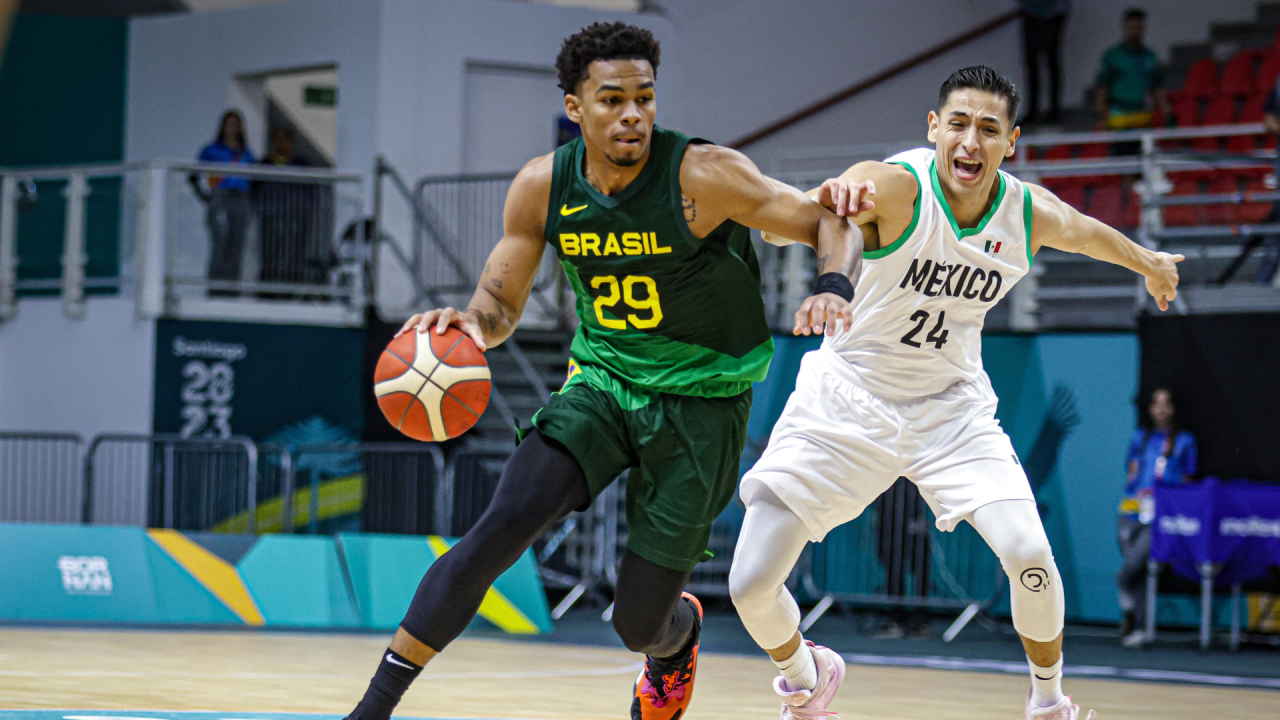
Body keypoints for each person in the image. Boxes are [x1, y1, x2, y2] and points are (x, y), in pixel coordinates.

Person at [343, 22, 862, 720]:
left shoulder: (703, 176)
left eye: (645, 98)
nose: (633, 115)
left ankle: (675, 642)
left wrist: (833, 283)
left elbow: (831, 221)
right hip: (603, 385)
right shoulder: (542, 187)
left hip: (701, 405)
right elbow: (498, 308)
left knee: (636, 624)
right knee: (499, 528)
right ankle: (370, 711)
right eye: (613, 99)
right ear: (574, 107)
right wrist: (471, 325)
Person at [727, 66, 1184, 720]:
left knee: (1028, 552)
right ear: (934, 129)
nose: (971, 141)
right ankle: (808, 676)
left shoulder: (1025, 214)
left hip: (951, 412)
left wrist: (1151, 262)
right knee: (749, 585)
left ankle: (1049, 702)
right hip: (847, 401)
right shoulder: (893, 185)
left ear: (1011, 143)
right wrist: (814, 210)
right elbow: (794, 223)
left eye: (988, 129)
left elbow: (1088, 232)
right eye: (959, 124)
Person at [1116, 387, 1197, 648]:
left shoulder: (1184, 441)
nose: (1161, 410)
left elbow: (1186, 480)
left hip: (1159, 517)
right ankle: (1138, 626)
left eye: (1167, 404)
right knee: (1138, 573)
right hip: (1129, 513)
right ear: (1149, 408)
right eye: (1156, 404)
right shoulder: (1140, 437)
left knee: (1132, 568)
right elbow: (1131, 473)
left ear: (1174, 408)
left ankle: (1129, 611)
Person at [257, 126, 331, 293]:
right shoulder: (266, 163)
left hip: (297, 219)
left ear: (291, 142)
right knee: (271, 256)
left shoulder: (301, 164)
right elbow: (255, 188)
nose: (281, 144)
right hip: (272, 218)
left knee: (295, 256)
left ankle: (292, 290)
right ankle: (268, 291)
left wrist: (314, 213)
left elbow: (312, 191)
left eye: (284, 140)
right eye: (277, 140)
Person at [196, 110, 256, 297]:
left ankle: (232, 289)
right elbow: (193, 176)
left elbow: (254, 178)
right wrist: (205, 197)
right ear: (223, 126)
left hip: (241, 197)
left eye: (236, 125)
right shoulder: (211, 150)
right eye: (229, 124)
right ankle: (215, 288)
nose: (232, 128)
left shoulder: (246, 153)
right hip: (221, 196)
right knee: (220, 242)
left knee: (237, 243)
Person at [1094, 8, 1171, 131]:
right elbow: (1103, 87)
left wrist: (1165, 108)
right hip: (1119, 116)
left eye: (1138, 28)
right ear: (1124, 27)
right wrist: (1101, 116)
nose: (1135, 32)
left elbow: (1157, 86)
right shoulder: (1113, 56)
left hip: (1143, 115)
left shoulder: (1150, 57)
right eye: (1132, 28)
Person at [1020, 0, 1070, 125]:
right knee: (1032, 62)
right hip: (1031, 11)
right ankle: (1033, 110)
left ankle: (1054, 110)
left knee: (1051, 59)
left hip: (1054, 11)